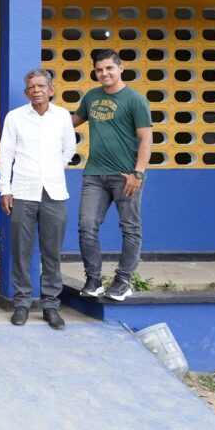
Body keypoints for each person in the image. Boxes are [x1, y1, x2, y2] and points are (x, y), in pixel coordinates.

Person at [0, 69, 76, 329]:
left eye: (41, 86)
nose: (36, 90)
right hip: (22, 191)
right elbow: (5, 154)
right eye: (31, 87)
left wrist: (52, 169)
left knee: (52, 252)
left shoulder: (62, 116)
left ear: (51, 90)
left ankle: (50, 305)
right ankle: (22, 303)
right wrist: (5, 188)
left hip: (54, 192)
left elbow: (69, 148)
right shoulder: (15, 117)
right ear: (26, 92)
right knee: (21, 251)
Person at [72, 49, 152, 302]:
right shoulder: (91, 97)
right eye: (99, 70)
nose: (104, 73)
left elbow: (146, 138)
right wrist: (43, 113)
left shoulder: (135, 100)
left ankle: (123, 280)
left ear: (120, 68)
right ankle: (93, 279)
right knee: (86, 226)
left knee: (130, 227)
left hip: (126, 175)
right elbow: (72, 121)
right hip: (94, 174)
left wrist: (138, 173)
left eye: (109, 68)